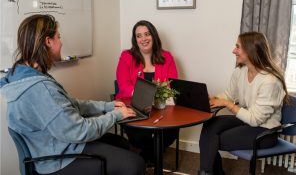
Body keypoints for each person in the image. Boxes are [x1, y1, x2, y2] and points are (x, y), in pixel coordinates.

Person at [0, 14, 145, 175]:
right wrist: (116, 115)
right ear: (48, 42)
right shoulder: (40, 89)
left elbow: (71, 104)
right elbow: (80, 131)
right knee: (135, 164)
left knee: (121, 143)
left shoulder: (24, 75)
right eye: (58, 37)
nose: (61, 42)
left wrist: (108, 106)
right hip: (57, 159)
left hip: (52, 145)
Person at [198, 32, 289, 175]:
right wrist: (211, 98)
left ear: (251, 50)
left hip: (265, 131)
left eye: (237, 47)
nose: (233, 51)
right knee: (210, 125)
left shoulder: (270, 81)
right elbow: (228, 95)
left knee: (212, 140)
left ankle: (207, 172)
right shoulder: (240, 72)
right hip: (246, 120)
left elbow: (255, 120)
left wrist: (228, 104)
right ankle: (208, 172)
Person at [116, 20, 179, 164]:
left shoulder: (167, 57)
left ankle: (145, 156)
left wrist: (157, 99)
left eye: (147, 34)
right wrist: (145, 97)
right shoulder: (127, 56)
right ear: (135, 39)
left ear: (153, 36)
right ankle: (152, 154)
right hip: (133, 106)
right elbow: (123, 85)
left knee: (172, 130)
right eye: (139, 36)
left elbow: (172, 84)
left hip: (161, 108)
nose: (143, 39)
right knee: (139, 135)